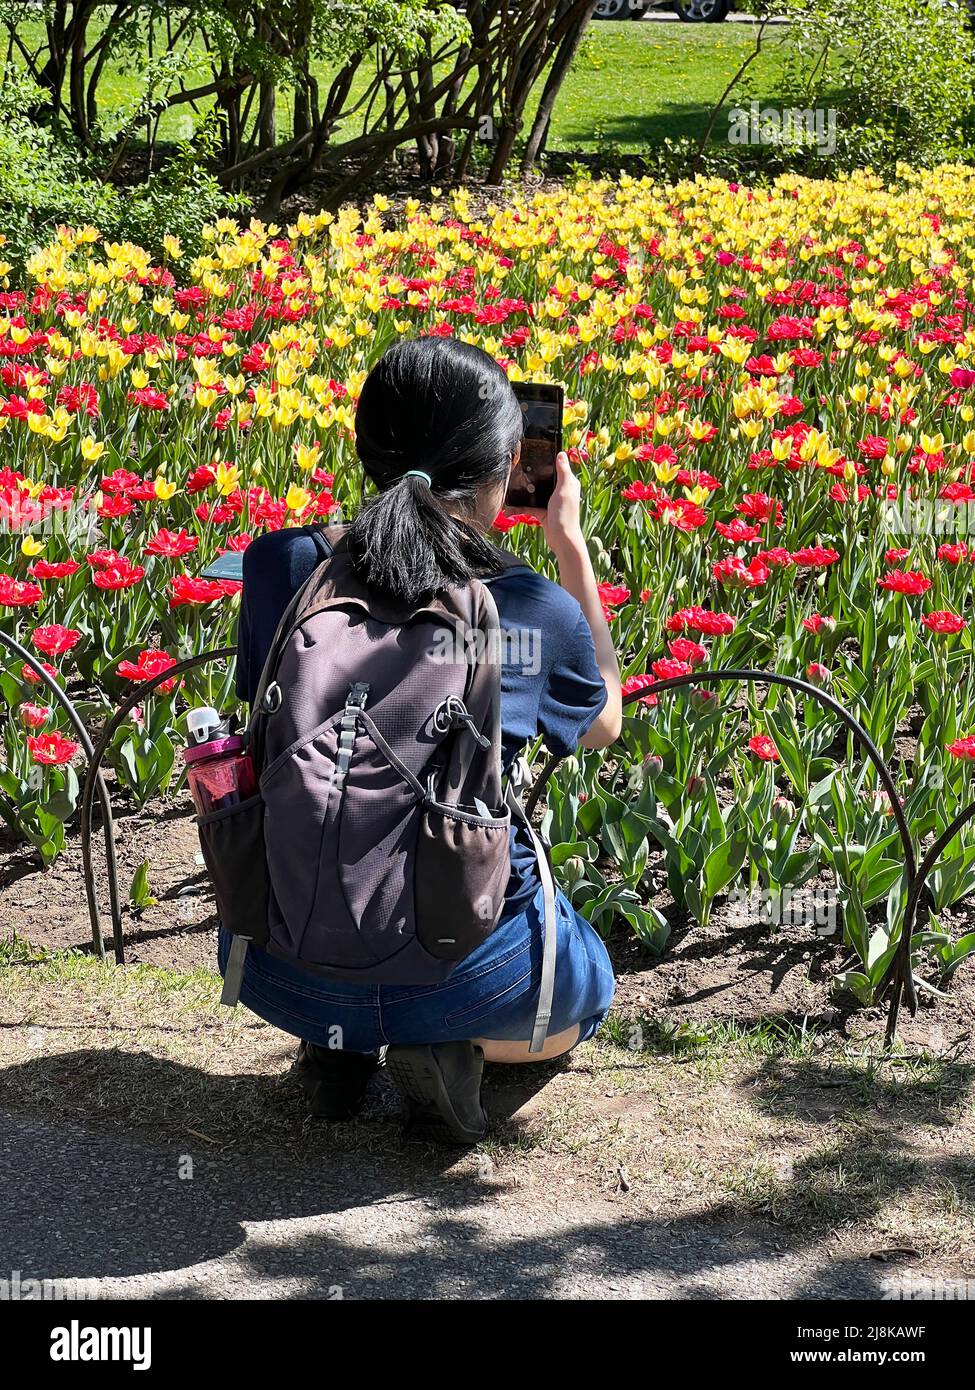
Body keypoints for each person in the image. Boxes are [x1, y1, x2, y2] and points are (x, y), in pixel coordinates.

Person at [223, 336, 621, 1143]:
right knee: (588, 988)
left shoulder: (280, 564)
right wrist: (569, 551)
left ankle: (335, 1039)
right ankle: (434, 1040)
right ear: (512, 465)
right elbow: (604, 724)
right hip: (466, 970)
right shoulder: (531, 607)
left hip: (275, 962)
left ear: (363, 445)